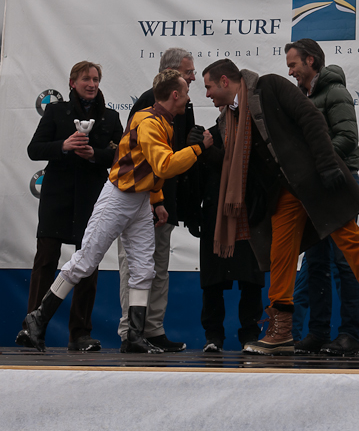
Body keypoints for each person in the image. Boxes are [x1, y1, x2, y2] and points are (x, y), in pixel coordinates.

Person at [201, 58, 359, 356]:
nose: (206, 94)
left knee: (348, 240)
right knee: (280, 255)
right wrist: (208, 152)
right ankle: (281, 330)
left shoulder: (270, 86)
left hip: (314, 178)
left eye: (208, 87)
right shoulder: (228, 119)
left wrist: (326, 164)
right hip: (283, 193)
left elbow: (311, 119)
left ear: (225, 81)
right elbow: (236, 167)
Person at [17, 69, 212, 353]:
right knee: (85, 261)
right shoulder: (149, 122)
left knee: (144, 269)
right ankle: (36, 320)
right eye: (185, 92)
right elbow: (164, 166)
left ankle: (133, 335)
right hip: (119, 197)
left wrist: (157, 200)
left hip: (139, 200)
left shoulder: (161, 120)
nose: (188, 98)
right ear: (174, 95)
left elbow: (149, 167)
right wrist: (197, 149)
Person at [285, 38, 359, 357]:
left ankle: (349, 332)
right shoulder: (302, 96)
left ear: (310, 61)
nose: (290, 72)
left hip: (338, 181)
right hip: (313, 186)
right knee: (317, 262)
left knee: (346, 261)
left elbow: (347, 139)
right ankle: (318, 332)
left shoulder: (335, 92)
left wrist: (314, 163)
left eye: (293, 65)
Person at [16, 61, 123, 352]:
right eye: (86, 79)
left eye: (96, 79)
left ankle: (80, 334)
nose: (92, 84)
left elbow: (121, 158)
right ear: (72, 82)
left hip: (92, 197)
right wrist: (63, 145)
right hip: (56, 196)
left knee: (88, 263)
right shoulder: (54, 111)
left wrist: (93, 155)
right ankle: (31, 328)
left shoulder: (111, 117)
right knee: (46, 259)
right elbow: (34, 149)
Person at [118, 47, 201, 353]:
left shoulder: (185, 106)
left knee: (159, 268)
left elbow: (177, 158)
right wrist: (155, 200)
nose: (193, 77)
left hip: (167, 201)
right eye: (188, 71)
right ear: (172, 76)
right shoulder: (146, 105)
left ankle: (153, 329)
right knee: (134, 267)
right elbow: (149, 162)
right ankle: (130, 330)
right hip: (141, 201)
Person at [198, 124, 265, 352]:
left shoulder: (255, 137)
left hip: (249, 214)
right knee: (213, 282)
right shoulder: (210, 136)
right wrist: (192, 214)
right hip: (215, 216)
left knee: (251, 281)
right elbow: (198, 178)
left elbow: (263, 176)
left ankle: (250, 335)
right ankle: (213, 337)